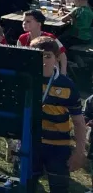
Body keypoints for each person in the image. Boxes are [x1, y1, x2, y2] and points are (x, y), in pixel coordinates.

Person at [29, 36, 85, 192]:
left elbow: (79, 122)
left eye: (47, 56)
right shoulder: (26, 80)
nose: (43, 61)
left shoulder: (67, 85)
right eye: (38, 55)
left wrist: (79, 152)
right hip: (31, 143)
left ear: (57, 58)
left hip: (58, 147)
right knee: (26, 186)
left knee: (59, 188)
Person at [18, 9, 68, 75]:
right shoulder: (22, 38)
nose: (24, 23)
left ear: (39, 24)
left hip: (50, 71)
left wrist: (63, 72)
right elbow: (19, 57)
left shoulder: (50, 37)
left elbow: (62, 55)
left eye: (28, 21)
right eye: (23, 21)